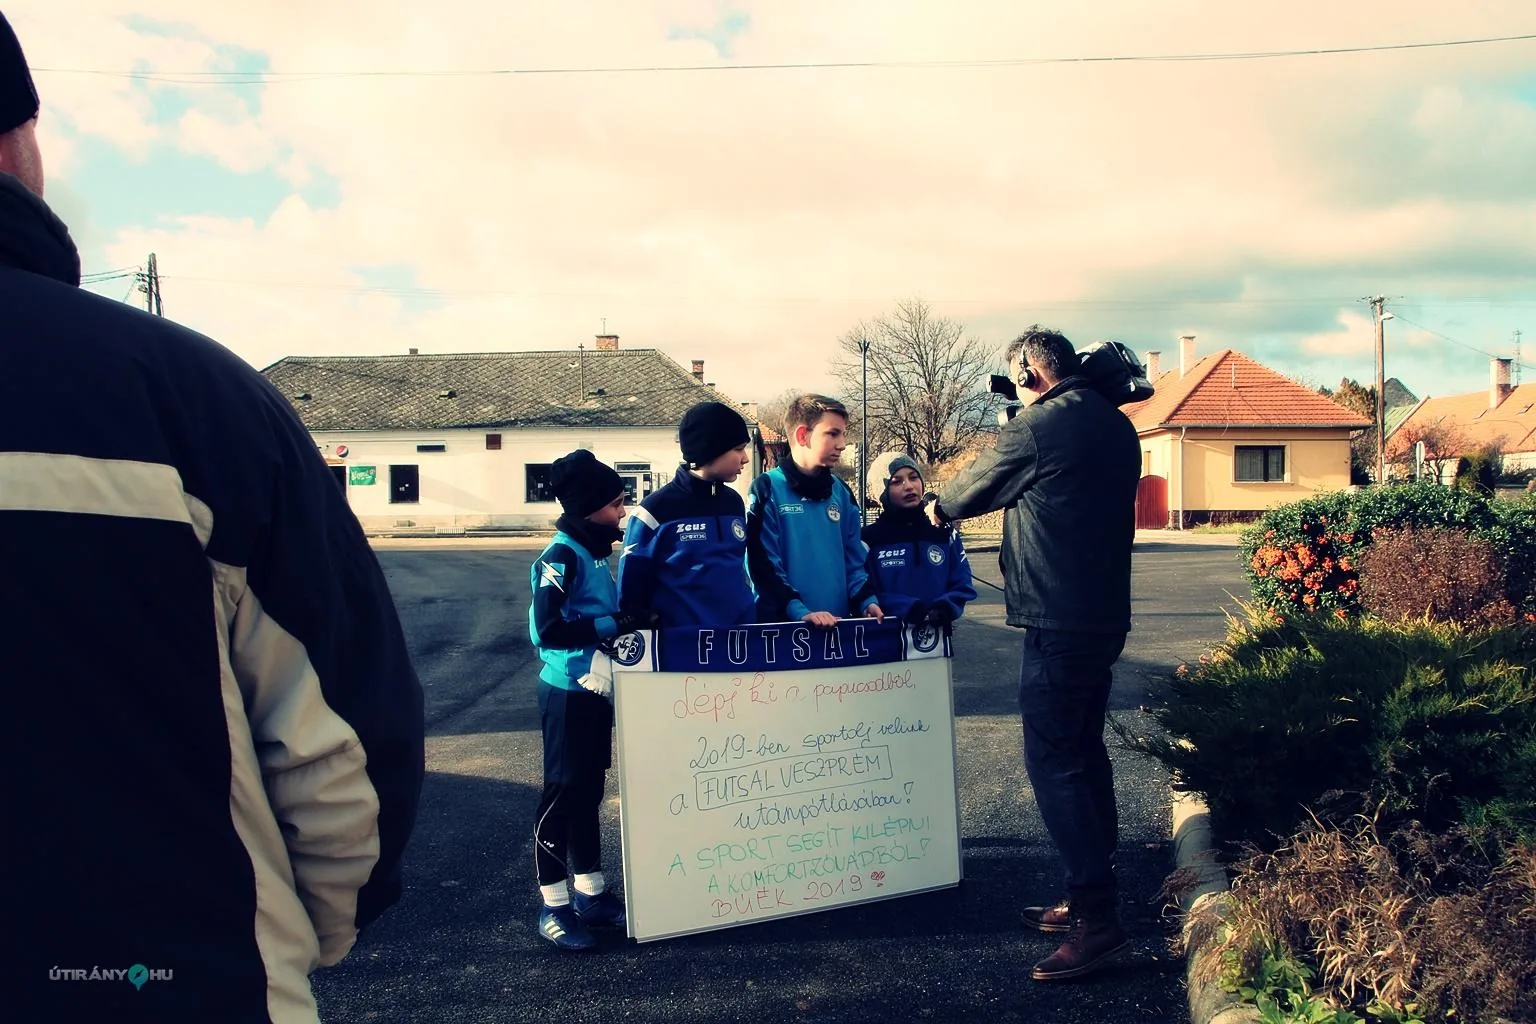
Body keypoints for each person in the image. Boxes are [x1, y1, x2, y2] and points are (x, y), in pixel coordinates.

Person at [0, 14, 426, 1022]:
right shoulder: (181, 395)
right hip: (171, 979)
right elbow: (347, 747)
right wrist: (290, 937)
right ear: (17, 139)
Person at [927, 326, 1140, 982]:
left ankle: (1096, 919)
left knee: (1055, 762)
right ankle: (1088, 893)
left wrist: (936, 507)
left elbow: (966, 494)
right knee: (1083, 753)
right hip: (1101, 616)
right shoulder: (1114, 423)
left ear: (1029, 372)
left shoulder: (1040, 427)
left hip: (1058, 619)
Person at [528, 449, 656, 951]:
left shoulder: (594, 554)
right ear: (587, 509)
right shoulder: (560, 556)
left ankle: (592, 895)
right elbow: (547, 629)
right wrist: (614, 624)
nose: (622, 512)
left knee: (587, 794)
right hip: (566, 694)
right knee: (560, 797)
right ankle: (553, 907)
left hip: (595, 692)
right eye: (616, 504)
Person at [746, 394, 884, 627]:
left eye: (843, 433)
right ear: (803, 435)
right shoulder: (767, 489)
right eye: (832, 433)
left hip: (837, 629)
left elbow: (854, 561)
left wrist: (866, 601)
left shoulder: (841, 492)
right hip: (784, 631)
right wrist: (799, 611)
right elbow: (762, 567)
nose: (842, 443)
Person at [617, 401, 756, 628]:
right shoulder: (654, 511)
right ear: (711, 448)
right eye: (738, 449)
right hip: (683, 649)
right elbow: (631, 591)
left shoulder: (733, 502)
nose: (745, 458)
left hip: (737, 640)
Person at [861, 455, 976, 629]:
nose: (908, 486)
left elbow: (962, 582)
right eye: (896, 481)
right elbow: (864, 590)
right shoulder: (869, 538)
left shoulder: (945, 533)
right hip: (885, 640)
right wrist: (910, 608)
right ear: (882, 492)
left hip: (936, 643)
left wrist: (945, 606)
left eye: (913, 478)